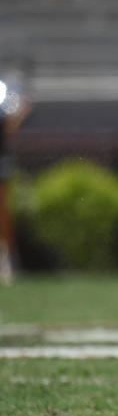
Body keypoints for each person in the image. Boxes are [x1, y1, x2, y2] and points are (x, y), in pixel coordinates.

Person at [0, 73, 30, 285]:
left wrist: (21, 113)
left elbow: (10, 128)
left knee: (2, 210)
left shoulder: (3, 89)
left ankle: (9, 258)